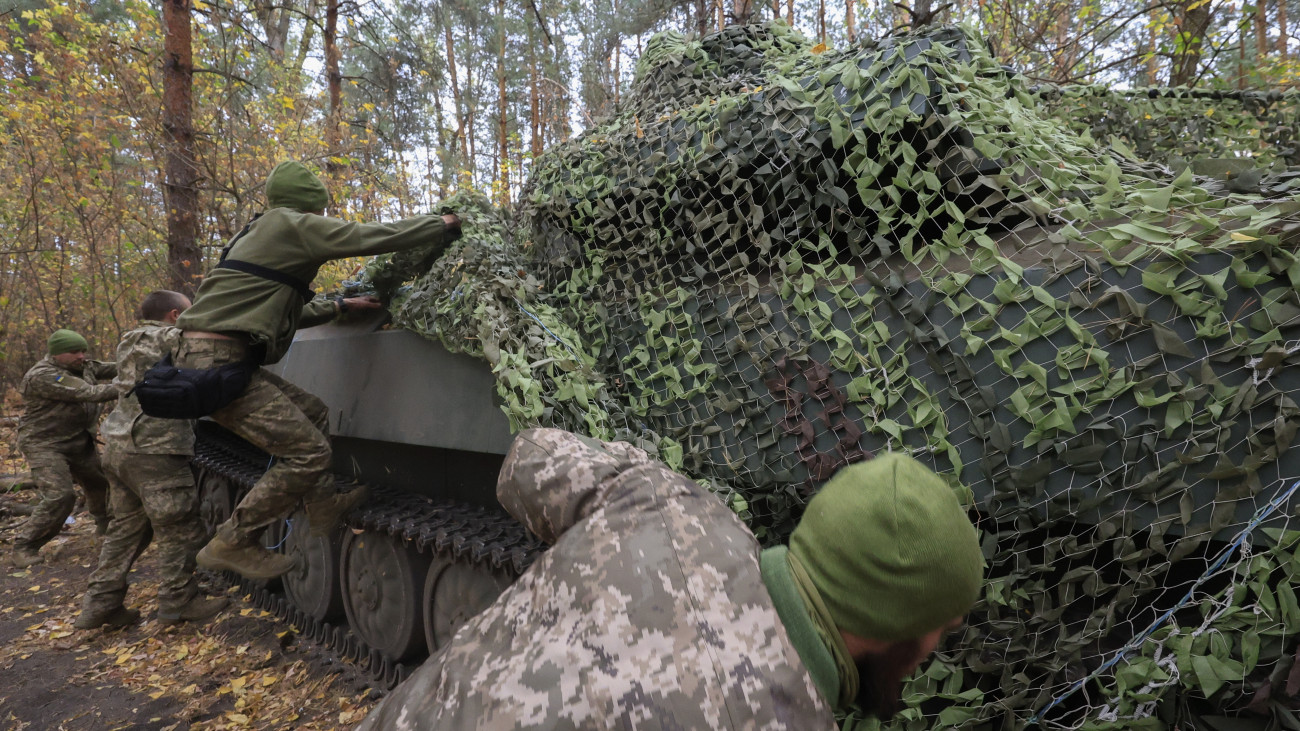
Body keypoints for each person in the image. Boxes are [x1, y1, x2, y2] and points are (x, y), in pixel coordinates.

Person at [356, 428, 985, 730]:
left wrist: (628, 495)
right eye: (941, 630)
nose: (933, 653)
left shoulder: (671, 506)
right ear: (893, 624)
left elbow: (526, 459)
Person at [176, 160, 461, 581]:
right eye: (321, 210)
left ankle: (322, 505)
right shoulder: (291, 225)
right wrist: (442, 224)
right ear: (309, 206)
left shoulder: (257, 231)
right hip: (216, 362)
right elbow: (368, 238)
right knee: (307, 453)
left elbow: (273, 313)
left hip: (211, 356)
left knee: (314, 412)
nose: (324, 217)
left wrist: (341, 306)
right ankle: (231, 541)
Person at [74, 291, 231, 630]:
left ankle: (101, 603)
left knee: (126, 529)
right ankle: (179, 602)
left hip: (118, 447)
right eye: (188, 314)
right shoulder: (172, 338)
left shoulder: (129, 339)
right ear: (175, 315)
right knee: (181, 528)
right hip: (156, 448)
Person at [10, 330, 118, 568]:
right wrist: (137, 384)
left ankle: (105, 527)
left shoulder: (84, 366)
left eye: (83, 351)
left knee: (99, 483)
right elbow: (89, 393)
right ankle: (25, 545)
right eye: (74, 352)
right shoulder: (43, 375)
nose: (81, 356)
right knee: (60, 495)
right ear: (56, 353)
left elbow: (114, 367)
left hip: (77, 440)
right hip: (45, 443)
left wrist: (145, 364)